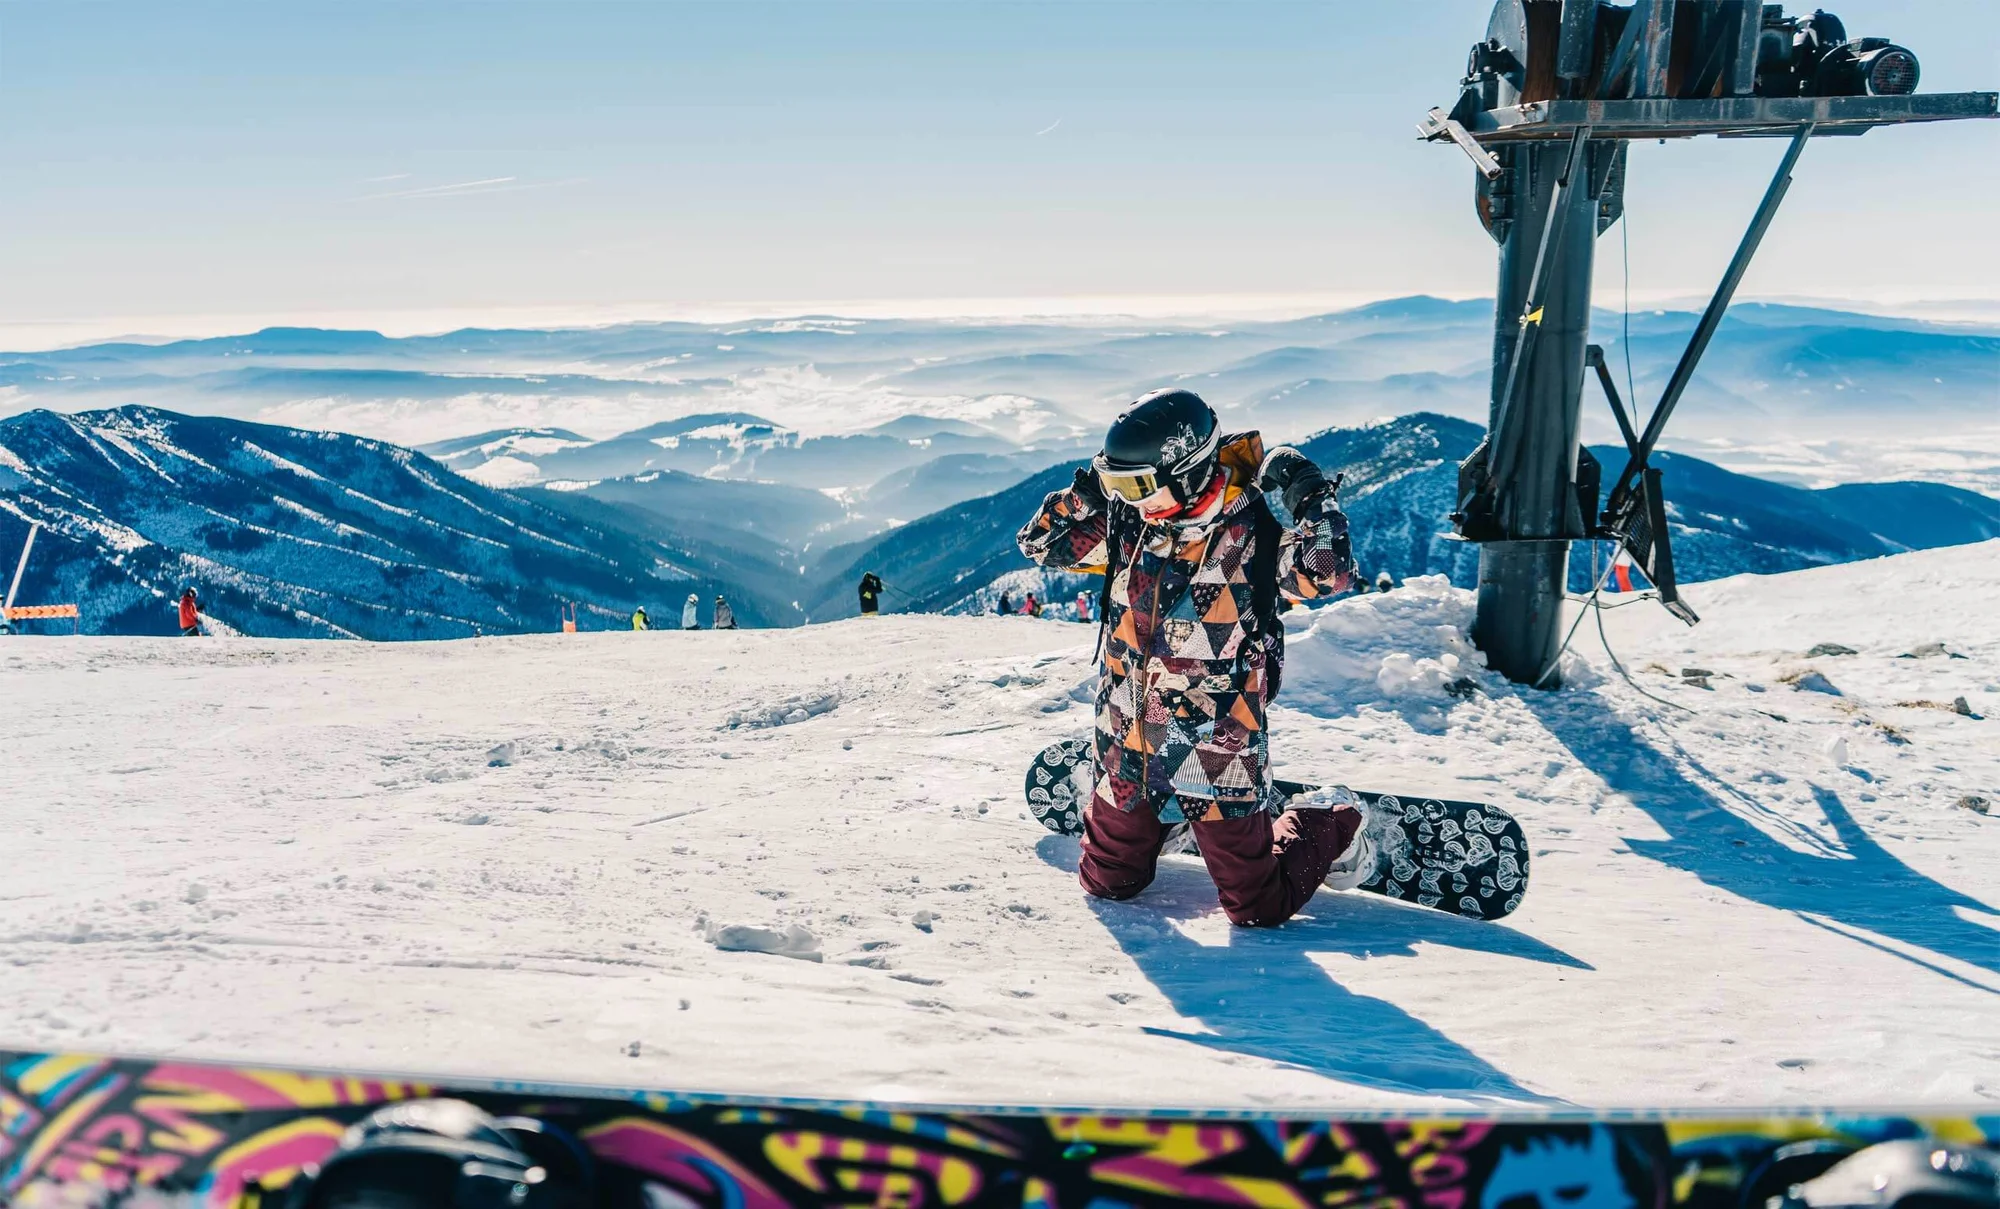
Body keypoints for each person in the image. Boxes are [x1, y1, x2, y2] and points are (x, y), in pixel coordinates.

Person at [1017, 388, 1362, 928]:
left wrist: (1311, 497)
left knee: (1256, 907)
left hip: (1214, 742)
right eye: (1117, 485)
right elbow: (1038, 544)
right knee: (1108, 884)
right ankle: (1170, 821)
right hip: (1125, 735)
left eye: (1138, 486)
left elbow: (1327, 573)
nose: (1129, 499)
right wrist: (1087, 494)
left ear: (1189, 469)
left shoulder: (1251, 535)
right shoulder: (1130, 523)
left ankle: (1333, 815)